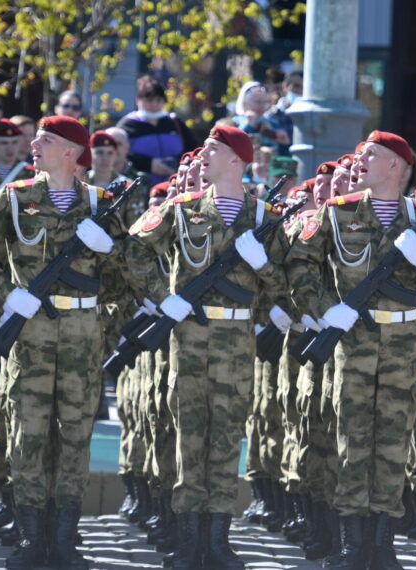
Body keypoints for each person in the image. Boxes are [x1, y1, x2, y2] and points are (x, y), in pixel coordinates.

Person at [0, 115, 127, 570]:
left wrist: (109, 250)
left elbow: (132, 273)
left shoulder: (101, 204)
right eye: (35, 139)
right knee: (28, 435)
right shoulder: (16, 198)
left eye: (46, 140)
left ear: (72, 152)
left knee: (74, 437)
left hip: (82, 335)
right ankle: (32, 540)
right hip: (30, 334)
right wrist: (5, 292)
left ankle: (64, 541)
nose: (33, 145)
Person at [126, 125, 293, 569]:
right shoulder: (182, 208)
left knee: (225, 438)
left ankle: (217, 540)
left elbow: (287, 285)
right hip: (189, 335)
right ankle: (188, 541)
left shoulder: (264, 216)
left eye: (214, 149)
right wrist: (164, 298)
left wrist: (263, 265)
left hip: (236, 339)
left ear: (237, 160)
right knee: (189, 436)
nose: (203, 154)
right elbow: (135, 250)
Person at [285, 130, 416, 568]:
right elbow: (299, 264)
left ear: (396, 165)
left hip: (402, 345)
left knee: (393, 445)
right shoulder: (338, 212)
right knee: (352, 441)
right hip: (353, 339)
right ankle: (352, 545)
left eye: (370, 154)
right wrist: (326, 309)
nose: (359, 161)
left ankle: (383, 544)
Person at [116, 79, 197, 185]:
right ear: (138, 100)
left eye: (158, 100)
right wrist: (149, 164)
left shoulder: (174, 122)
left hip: (174, 184)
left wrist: (177, 163)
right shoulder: (128, 125)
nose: (154, 105)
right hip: (138, 186)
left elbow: (192, 150)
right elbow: (116, 152)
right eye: (149, 100)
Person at [234, 81, 290, 154]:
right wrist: (249, 126)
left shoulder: (273, 124)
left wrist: (285, 144)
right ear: (244, 104)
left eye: (265, 102)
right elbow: (234, 145)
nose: (262, 106)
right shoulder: (235, 123)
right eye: (258, 102)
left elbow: (284, 154)